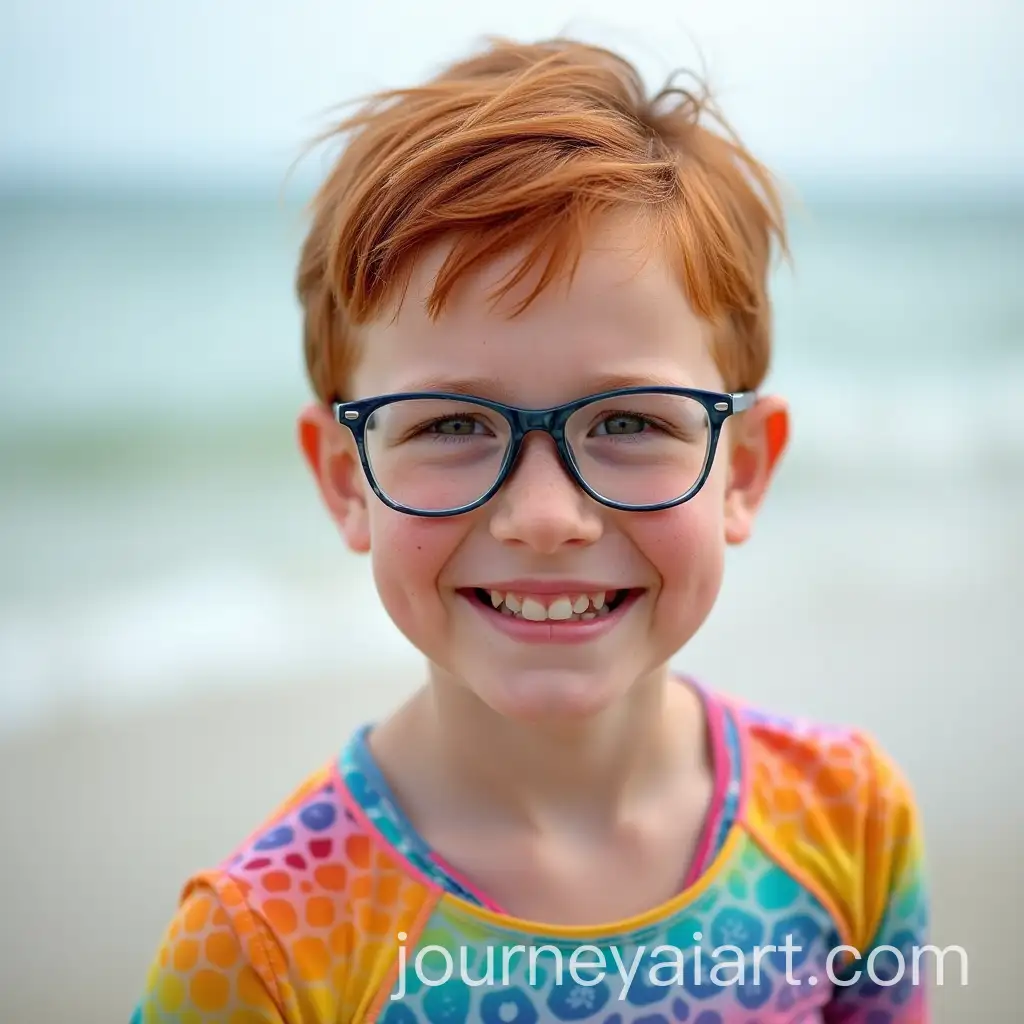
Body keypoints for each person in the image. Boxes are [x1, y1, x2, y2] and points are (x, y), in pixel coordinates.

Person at [131, 35, 929, 1023]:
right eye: (453, 425)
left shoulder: (848, 822)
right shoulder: (264, 945)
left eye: (630, 421)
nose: (546, 516)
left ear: (744, 469)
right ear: (348, 479)